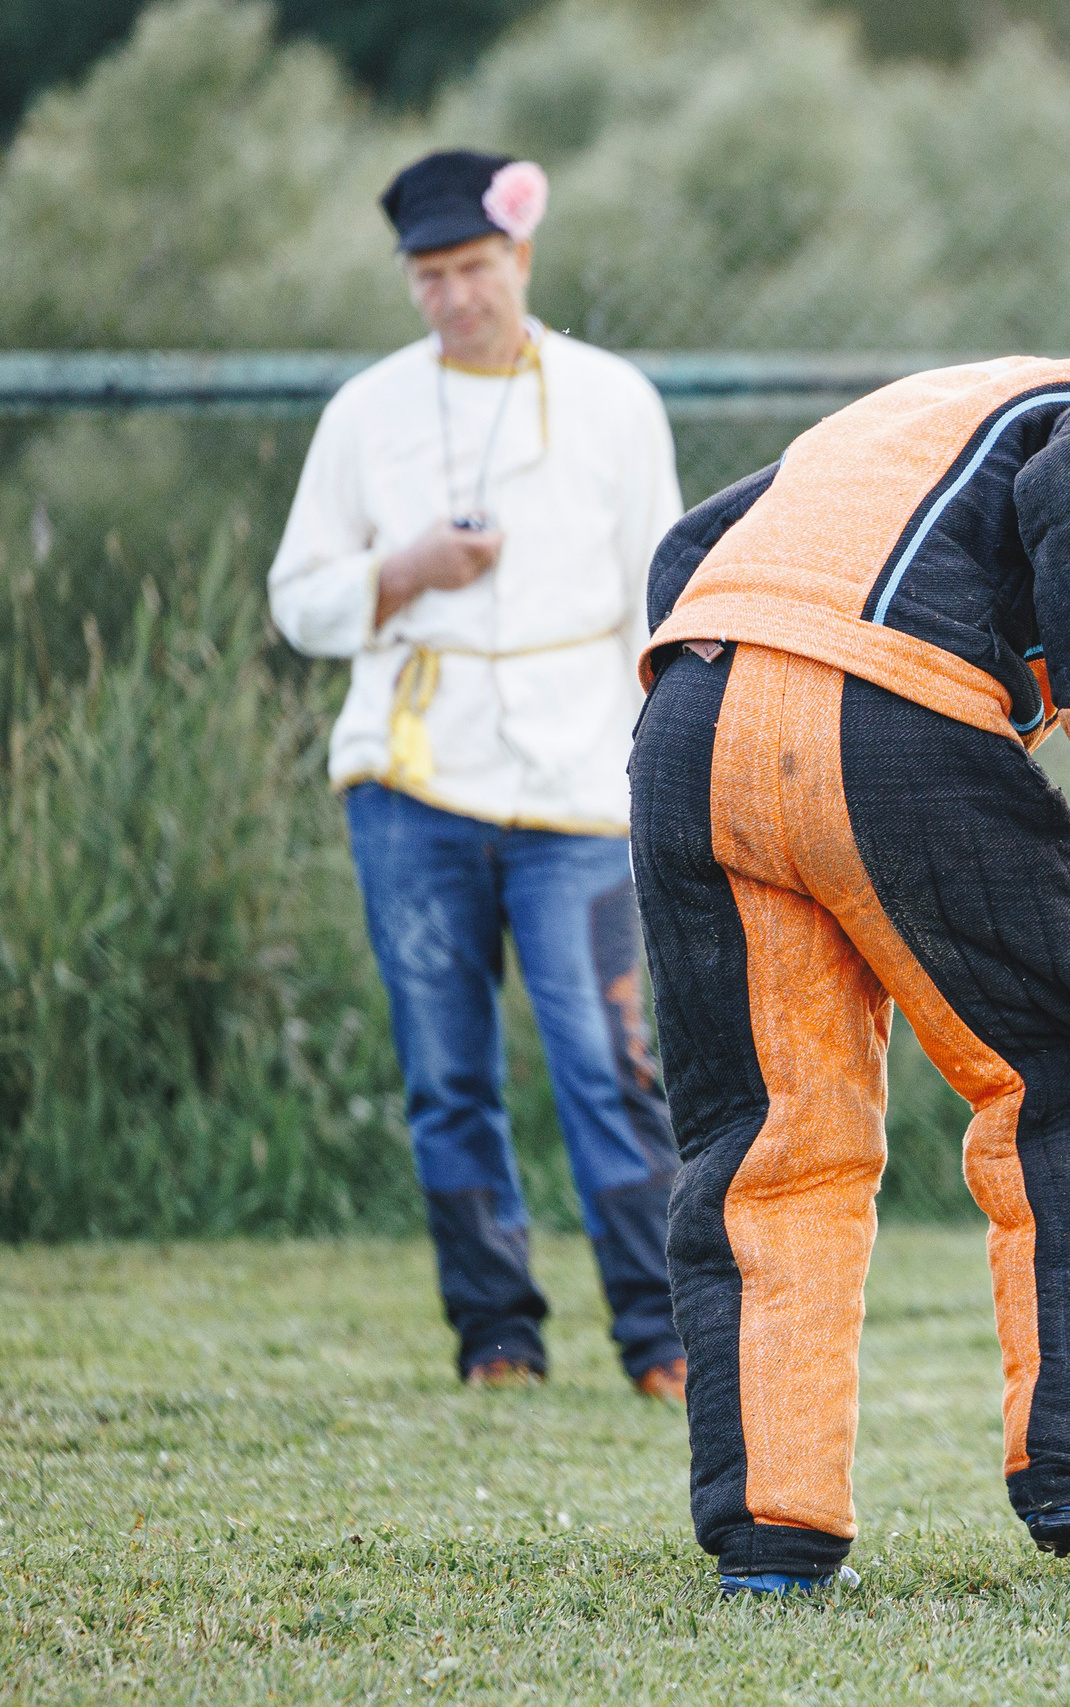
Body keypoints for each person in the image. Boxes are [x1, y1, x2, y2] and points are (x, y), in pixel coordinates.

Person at [627, 353, 1070, 1595]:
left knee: (766, 1145)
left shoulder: (902, 423)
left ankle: (772, 1538)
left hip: (691, 725)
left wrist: (706, 696)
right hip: (887, 710)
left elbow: (691, 547)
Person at [268, 149, 689, 1401]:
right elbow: (297, 600)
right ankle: (495, 1336)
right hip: (413, 780)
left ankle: (661, 1338)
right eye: (430, 274)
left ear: (521, 261)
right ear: (410, 281)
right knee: (446, 1072)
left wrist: (657, 770)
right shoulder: (366, 413)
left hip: (577, 787)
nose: (455, 294)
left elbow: (657, 597)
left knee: (608, 1067)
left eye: (475, 267)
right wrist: (399, 574)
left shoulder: (616, 401)